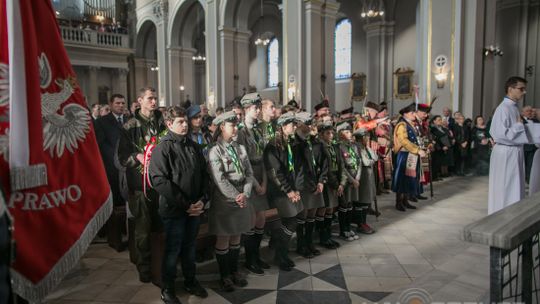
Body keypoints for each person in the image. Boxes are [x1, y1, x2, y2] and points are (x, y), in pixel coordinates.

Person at [148, 106, 209, 304]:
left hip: (194, 208)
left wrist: (202, 200)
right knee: (173, 249)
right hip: (175, 209)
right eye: (180, 122)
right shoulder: (162, 148)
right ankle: (168, 288)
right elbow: (159, 180)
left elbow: (204, 175)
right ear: (168, 124)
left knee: (190, 247)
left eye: (185, 121)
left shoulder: (193, 146)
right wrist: (186, 204)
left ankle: (190, 281)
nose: (185, 125)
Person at [118, 87, 166, 282]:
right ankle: (144, 267)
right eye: (150, 98)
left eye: (155, 98)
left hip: (160, 183)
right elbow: (120, 158)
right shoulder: (129, 126)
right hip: (139, 185)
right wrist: (136, 156)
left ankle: (159, 263)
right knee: (143, 229)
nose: (154, 102)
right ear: (140, 100)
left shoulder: (162, 123)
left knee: (160, 226)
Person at [208, 111, 254, 291]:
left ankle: (234, 271)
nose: (235, 129)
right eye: (232, 125)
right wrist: (236, 195)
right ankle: (225, 275)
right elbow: (219, 179)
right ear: (221, 127)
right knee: (224, 237)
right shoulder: (215, 150)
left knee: (237, 236)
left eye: (236, 125)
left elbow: (249, 174)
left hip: (242, 196)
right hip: (225, 200)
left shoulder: (240, 148)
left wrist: (246, 193)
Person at [488, 76, 539, 214]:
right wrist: (518, 126)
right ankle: (501, 217)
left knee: (514, 187)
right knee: (505, 187)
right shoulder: (503, 108)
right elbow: (498, 134)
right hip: (505, 152)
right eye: (521, 89)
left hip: (514, 151)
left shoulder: (514, 108)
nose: (524, 92)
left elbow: (523, 130)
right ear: (510, 89)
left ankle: (512, 216)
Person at [263, 112, 304, 271]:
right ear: (282, 127)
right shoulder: (273, 146)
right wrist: (288, 191)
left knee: (292, 220)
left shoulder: (289, 143)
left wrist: (296, 189)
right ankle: (280, 255)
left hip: (290, 189)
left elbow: (293, 168)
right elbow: (275, 173)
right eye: (291, 124)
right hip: (280, 192)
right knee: (290, 220)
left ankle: (281, 252)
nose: (294, 127)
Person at [235, 93, 271, 275]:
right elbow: (244, 163)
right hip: (249, 179)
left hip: (260, 174)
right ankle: (250, 259)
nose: (258, 111)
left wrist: (264, 181)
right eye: (256, 108)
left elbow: (263, 157)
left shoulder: (257, 130)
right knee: (251, 220)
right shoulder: (240, 132)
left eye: (259, 107)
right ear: (247, 109)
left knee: (261, 219)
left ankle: (256, 255)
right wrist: (257, 184)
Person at [95, 94, 129, 251]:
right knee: (114, 206)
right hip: (112, 169)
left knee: (125, 204)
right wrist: (118, 160)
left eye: (123, 103)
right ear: (111, 104)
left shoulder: (129, 120)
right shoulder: (102, 122)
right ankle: (114, 240)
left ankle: (126, 233)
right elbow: (102, 145)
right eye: (117, 103)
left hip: (128, 168)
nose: (121, 106)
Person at [295, 112, 328, 258]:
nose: (310, 126)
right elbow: (298, 167)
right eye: (306, 124)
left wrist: (321, 181)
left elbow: (324, 163)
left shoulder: (315, 142)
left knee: (312, 215)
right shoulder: (295, 142)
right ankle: (301, 245)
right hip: (303, 185)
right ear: (298, 124)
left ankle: (309, 243)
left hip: (316, 184)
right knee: (302, 216)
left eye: (310, 123)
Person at [392, 103, 427, 211]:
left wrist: (422, 148)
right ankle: (399, 202)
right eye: (412, 113)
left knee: (409, 178)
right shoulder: (402, 125)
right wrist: (417, 150)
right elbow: (403, 140)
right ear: (405, 114)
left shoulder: (410, 123)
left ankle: (405, 200)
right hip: (404, 155)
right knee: (402, 178)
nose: (414, 114)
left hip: (411, 154)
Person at [318, 122, 345, 249]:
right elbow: (326, 168)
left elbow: (341, 165)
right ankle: (323, 238)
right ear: (321, 135)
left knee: (331, 209)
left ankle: (328, 236)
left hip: (335, 180)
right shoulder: (321, 147)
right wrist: (335, 184)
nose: (331, 135)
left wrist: (341, 183)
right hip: (328, 181)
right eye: (327, 133)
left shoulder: (334, 146)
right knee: (325, 208)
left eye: (332, 133)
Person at [337, 122, 361, 241]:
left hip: (355, 179)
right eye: (346, 132)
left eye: (350, 131)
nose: (350, 133)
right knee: (344, 205)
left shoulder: (354, 146)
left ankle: (349, 227)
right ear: (340, 134)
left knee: (350, 204)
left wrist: (357, 178)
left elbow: (359, 162)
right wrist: (352, 180)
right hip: (347, 180)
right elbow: (342, 167)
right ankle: (343, 230)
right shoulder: (339, 147)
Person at [430, 115, 452, 181]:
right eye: (438, 120)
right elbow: (435, 139)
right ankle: (433, 177)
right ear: (434, 121)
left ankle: (436, 176)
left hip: (443, 148)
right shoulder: (433, 129)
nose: (440, 121)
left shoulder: (442, 128)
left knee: (439, 162)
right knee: (435, 162)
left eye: (440, 120)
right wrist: (442, 146)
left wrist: (447, 145)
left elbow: (445, 137)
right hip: (437, 148)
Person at [522, 105, 539, 182]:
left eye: (530, 111)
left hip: (533, 146)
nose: (529, 112)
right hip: (522, 146)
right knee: (522, 165)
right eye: (527, 111)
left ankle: (529, 180)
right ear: (523, 113)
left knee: (531, 165)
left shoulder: (536, 121)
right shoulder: (520, 120)